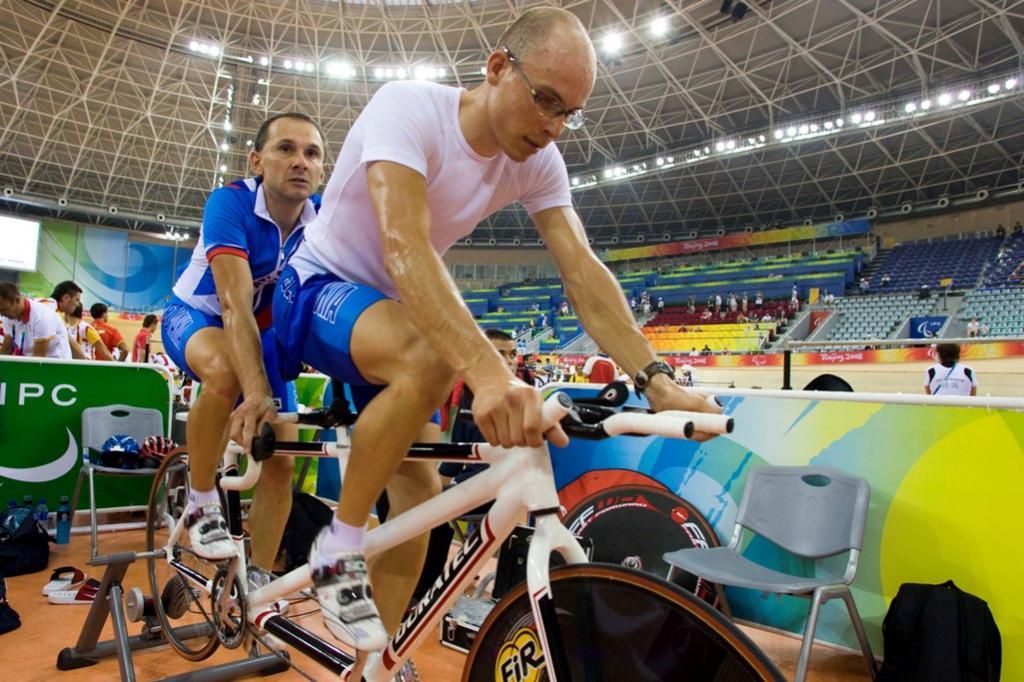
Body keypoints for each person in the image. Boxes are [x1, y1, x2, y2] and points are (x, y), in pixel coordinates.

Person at [271, 6, 721, 654]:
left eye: (569, 112)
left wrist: (655, 379)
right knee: (433, 357)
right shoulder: (408, 108)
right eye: (545, 100)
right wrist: (487, 373)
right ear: (497, 67)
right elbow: (405, 246)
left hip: (390, 318)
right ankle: (336, 549)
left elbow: (583, 273)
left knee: (419, 508)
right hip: (316, 288)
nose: (553, 126)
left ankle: (371, 663)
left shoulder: (539, 160)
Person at [160, 112, 325, 580]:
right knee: (229, 373)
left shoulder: (322, 218)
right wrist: (255, 393)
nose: (300, 162)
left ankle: (256, 580)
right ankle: (200, 502)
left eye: (311, 153)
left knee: (282, 458)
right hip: (198, 316)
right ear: (257, 161)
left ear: (320, 170)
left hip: (261, 333)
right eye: (286, 149)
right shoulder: (229, 204)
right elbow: (233, 305)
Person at [0, 282, 72, 358]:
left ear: (17, 300)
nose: (1, 314)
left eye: (3, 310)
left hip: (56, 363)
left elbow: (38, 358)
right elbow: (6, 348)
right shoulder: (8, 316)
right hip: (31, 360)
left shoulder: (42, 317)